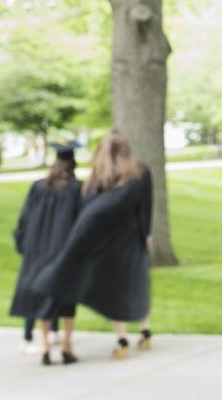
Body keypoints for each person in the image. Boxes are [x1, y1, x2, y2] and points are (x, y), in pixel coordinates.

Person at [32, 130, 153, 359]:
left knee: (115, 287)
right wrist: (146, 233)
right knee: (135, 283)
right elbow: (145, 206)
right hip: (131, 236)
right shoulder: (140, 172)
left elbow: (89, 209)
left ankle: (122, 338)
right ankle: (145, 331)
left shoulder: (99, 176)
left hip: (108, 239)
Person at [9, 141, 82, 366]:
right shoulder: (78, 188)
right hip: (66, 252)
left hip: (39, 251)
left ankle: (45, 346)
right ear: (73, 163)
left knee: (43, 298)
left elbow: (25, 219)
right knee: (67, 298)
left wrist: (24, 246)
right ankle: (67, 345)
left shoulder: (38, 187)